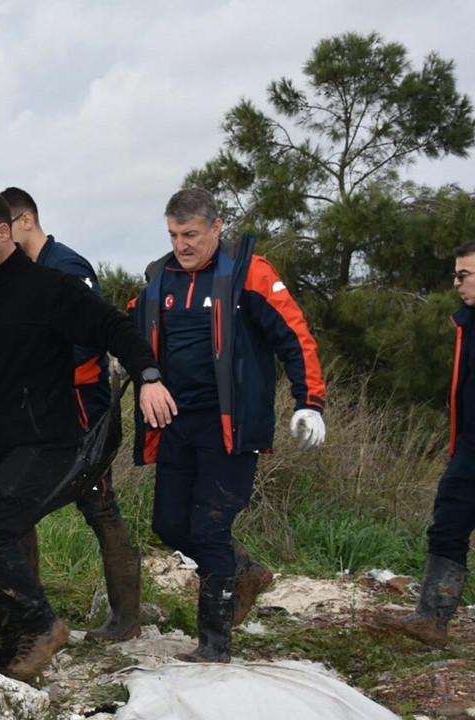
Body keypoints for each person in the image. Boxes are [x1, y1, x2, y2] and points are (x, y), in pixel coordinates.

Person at [0, 190, 175, 682]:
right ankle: (9, 651)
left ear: (5, 232)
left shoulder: (52, 287)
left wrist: (149, 376)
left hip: (49, 442)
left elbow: (114, 326)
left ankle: (42, 625)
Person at [130, 188, 326, 662]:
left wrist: (310, 402)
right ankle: (245, 572)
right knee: (170, 524)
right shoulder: (160, 279)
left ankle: (213, 646)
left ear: (217, 227)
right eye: (174, 235)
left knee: (210, 527)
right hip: (175, 424)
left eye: (192, 234)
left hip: (230, 428)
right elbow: (132, 334)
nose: (183, 244)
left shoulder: (248, 275)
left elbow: (295, 336)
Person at [0, 186, 142, 642]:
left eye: (5, 228)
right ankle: (31, 615)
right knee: (16, 503)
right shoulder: (18, 272)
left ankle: (126, 619)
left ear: (25, 221)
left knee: (99, 504)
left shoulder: (68, 268)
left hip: (82, 407)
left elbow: (89, 339)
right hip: (38, 411)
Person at [375, 241, 475, 647]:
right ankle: (431, 619)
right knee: (448, 522)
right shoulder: (468, 320)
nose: (455, 283)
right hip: (470, 447)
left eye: (463, 274)